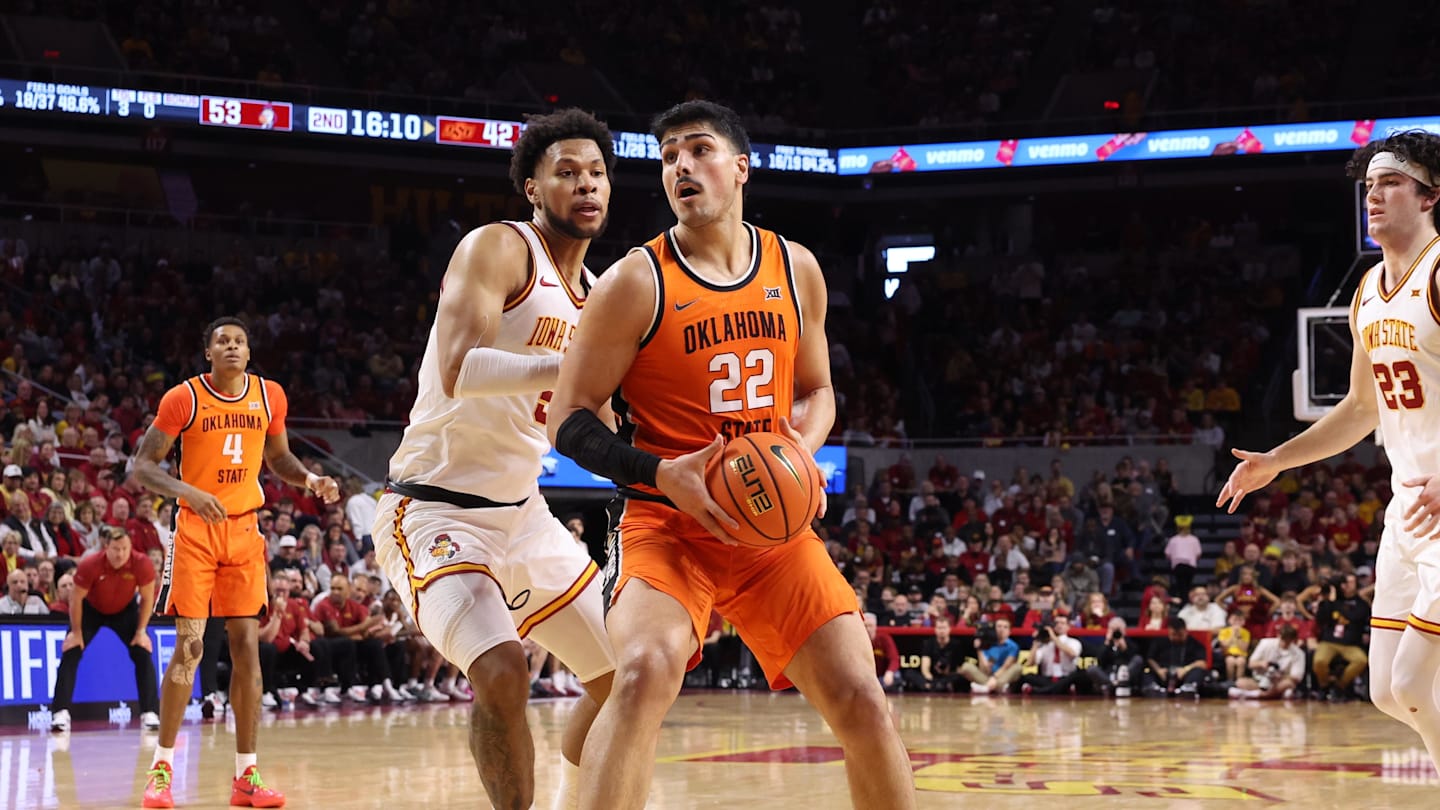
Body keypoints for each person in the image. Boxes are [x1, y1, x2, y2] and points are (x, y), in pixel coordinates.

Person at [547, 100, 915, 809]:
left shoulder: (795, 267)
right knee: (642, 672)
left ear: (741, 167)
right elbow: (567, 420)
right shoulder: (635, 281)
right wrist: (662, 474)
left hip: (771, 535)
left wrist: (799, 451)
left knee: (862, 697)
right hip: (666, 525)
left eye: (698, 150)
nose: (680, 167)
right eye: (668, 158)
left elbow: (818, 391)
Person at [370, 109, 618, 810]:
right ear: (533, 187)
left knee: (631, 677)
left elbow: (597, 419)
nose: (585, 184)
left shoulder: (600, 295)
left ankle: (577, 795)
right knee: (504, 672)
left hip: (524, 516)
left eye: (596, 173)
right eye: (566, 172)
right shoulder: (500, 248)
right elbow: (460, 369)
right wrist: (571, 364)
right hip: (434, 510)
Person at [1219, 131, 1440, 760]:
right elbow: (1361, 409)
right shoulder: (1367, 291)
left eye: (1391, 182)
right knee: (1387, 691)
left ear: (1431, 196)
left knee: (1413, 683)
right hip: (1408, 512)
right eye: (1370, 185)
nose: (1374, 196)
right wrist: (1276, 460)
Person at [131, 316, 339, 809]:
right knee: (191, 646)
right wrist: (189, 492)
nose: (231, 347)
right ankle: (161, 770)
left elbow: (279, 460)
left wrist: (310, 480)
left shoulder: (270, 396)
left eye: (239, 341)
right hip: (196, 530)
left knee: (247, 648)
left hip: (244, 531)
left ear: (249, 352)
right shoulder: (184, 397)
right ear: (208, 352)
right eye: (222, 341)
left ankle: (247, 776)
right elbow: (141, 465)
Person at [49, 527, 159, 732]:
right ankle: (60, 712)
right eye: (116, 549)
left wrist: (141, 631)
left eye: (125, 549)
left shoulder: (142, 563)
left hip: (125, 610)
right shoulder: (90, 564)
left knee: (142, 652)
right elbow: (75, 599)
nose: (120, 554)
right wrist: (76, 632)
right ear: (106, 547)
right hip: (91, 609)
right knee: (71, 650)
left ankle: (150, 712)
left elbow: (147, 599)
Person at [1229, 624, 1305, 700]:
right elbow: (1250, 664)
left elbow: (1296, 677)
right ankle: (1272, 695)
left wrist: (1280, 677)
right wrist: (1261, 664)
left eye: (1288, 641)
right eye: (1283, 640)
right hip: (1260, 680)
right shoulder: (1265, 643)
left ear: (1293, 640)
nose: (1285, 643)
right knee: (1240, 682)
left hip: (1280, 682)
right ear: (1278, 635)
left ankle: (1253, 694)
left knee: (1288, 684)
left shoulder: (1298, 653)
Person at [1142, 617, 1209, 697]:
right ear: (1169, 631)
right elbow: (1150, 659)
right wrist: (1158, 670)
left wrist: (1186, 669)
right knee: (1146, 670)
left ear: (1185, 631)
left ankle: (1188, 688)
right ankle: (1152, 688)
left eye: (1180, 635)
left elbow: (1202, 663)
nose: (1176, 637)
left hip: (1184, 675)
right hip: (1164, 674)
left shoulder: (1194, 644)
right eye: (1173, 634)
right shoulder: (1160, 641)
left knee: (1198, 671)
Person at [957, 617, 1021, 694]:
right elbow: (985, 668)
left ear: (1009, 632)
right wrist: (979, 649)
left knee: (1017, 668)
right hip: (988, 675)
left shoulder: (1013, 646)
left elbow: (1006, 666)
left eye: (1005, 627)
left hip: (1003, 675)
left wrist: (994, 678)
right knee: (966, 667)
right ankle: (996, 687)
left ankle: (987, 686)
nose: (1001, 629)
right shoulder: (988, 644)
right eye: (999, 626)